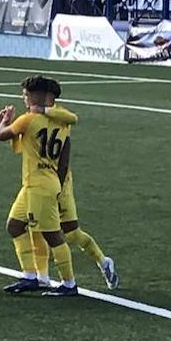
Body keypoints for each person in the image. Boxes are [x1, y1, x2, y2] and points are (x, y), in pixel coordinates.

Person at [0, 75, 79, 298]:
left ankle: (69, 283)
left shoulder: (28, 119)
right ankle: (30, 276)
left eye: (25, 94)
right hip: (42, 183)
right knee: (14, 225)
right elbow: (64, 159)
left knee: (52, 235)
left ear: (35, 95)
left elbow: (1, 136)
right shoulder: (62, 122)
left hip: (38, 185)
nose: (23, 98)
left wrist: (2, 120)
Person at [28, 81, 118, 290]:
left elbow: (71, 127)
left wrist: (58, 187)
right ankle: (39, 275)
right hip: (38, 183)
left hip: (59, 183)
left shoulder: (60, 115)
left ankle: (103, 261)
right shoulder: (39, 117)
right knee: (28, 226)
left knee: (70, 233)